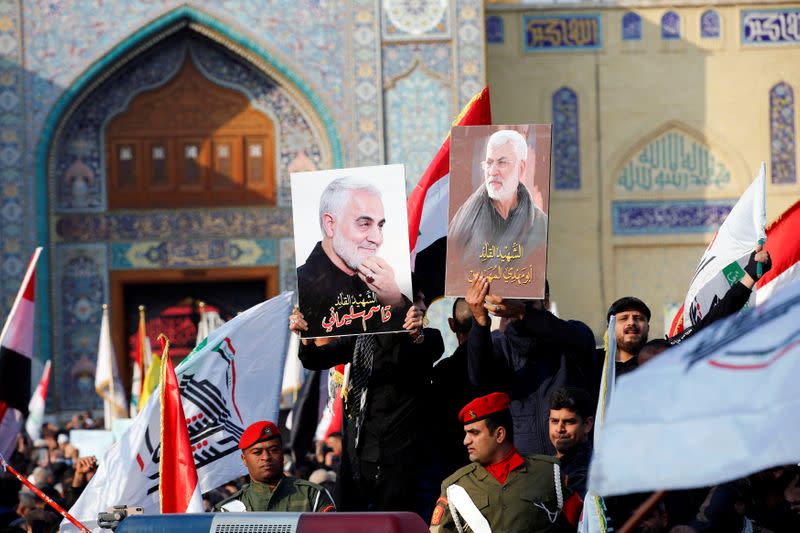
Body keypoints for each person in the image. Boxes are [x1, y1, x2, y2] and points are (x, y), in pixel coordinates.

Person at [290, 289, 443, 517]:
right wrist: (306, 336)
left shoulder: (426, 338)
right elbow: (316, 359)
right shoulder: (360, 340)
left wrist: (415, 334)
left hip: (401, 467)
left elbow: (426, 348)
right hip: (357, 464)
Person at [465, 276, 598, 455]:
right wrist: (480, 322)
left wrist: (523, 314)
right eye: (515, 302)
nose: (518, 309)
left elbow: (578, 340)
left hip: (574, 466)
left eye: (528, 302)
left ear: (546, 300)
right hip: (525, 469)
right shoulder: (501, 344)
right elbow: (479, 377)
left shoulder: (572, 335)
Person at [430, 392, 569, 533]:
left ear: (499, 434)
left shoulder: (549, 473)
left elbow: (584, 523)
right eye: (466, 433)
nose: (466, 441)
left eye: (474, 433)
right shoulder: (455, 487)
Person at [296, 176, 408, 338]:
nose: (377, 239)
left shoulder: (379, 288)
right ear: (330, 225)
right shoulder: (301, 289)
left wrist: (396, 303)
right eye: (364, 224)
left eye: (380, 225)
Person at [448, 129, 548, 262]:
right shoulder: (463, 219)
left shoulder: (540, 225)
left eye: (502, 163)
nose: (493, 171)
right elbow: (454, 270)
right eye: (489, 163)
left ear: (521, 168)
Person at [214, 421, 335, 513]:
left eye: (273, 450)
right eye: (257, 452)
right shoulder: (226, 510)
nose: (266, 457)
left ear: (282, 453)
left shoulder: (312, 495)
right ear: (244, 459)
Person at [430, 298, 491, 479]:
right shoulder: (498, 362)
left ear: (451, 324)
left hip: (451, 463)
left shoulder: (442, 371)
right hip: (490, 457)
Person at [548, 388, 593, 499]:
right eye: (554, 421)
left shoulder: (592, 472)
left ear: (587, 424)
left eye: (569, 422)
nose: (559, 429)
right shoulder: (546, 465)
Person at [606, 296, 651, 377]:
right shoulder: (593, 363)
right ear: (609, 328)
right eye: (623, 318)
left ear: (648, 328)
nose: (631, 322)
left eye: (638, 318)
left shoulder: (657, 364)